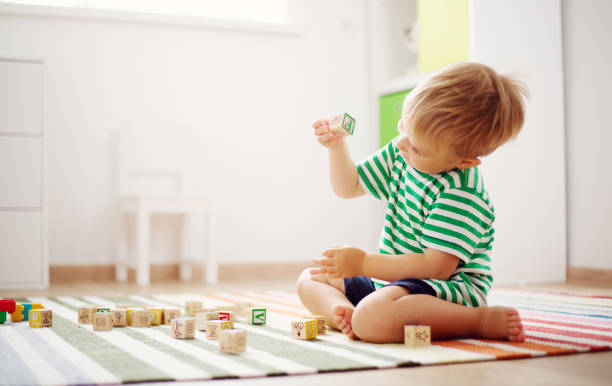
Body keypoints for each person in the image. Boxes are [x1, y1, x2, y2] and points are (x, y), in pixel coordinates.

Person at [296, 62, 528, 344]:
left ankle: (478, 320)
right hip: (391, 283)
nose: (402, 144)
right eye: (403, 126)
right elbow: (350, 186)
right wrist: (337, 148)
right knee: (311, 278)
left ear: (465, 161)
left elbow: (435, 268)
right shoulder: (404, 151)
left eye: (417, 147)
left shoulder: (462, 194)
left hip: (443, 291)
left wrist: (364, 262)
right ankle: (345, 314)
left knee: (375, 315)